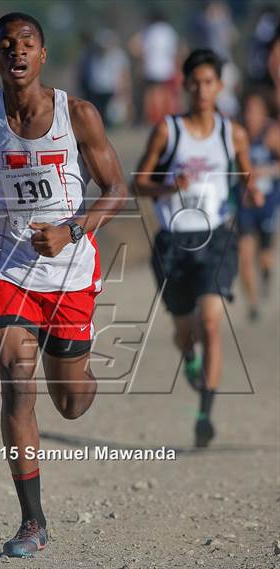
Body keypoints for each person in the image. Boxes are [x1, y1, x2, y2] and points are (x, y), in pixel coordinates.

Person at [0, 12, 127, 557]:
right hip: (7, 266)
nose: (17, 53)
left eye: (27, 43)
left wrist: (73, 228)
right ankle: (33, 522)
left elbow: (116, 188)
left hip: (70, 270)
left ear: (43, 54)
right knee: (16, 376)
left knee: (71, 403)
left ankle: (79, 365)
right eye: (6, 46)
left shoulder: (78, 115)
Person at [132, 49, 263, 448]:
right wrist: (169, 187)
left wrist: (252, 189)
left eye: (210, 82)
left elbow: (245, 174)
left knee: (211, 321)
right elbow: (138, 182)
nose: (203, 90)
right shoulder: (168, 131)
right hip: (173, 241)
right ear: (185, 86)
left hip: (217, 237)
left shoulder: (231, 132)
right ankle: (189, 359)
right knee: (185, 330)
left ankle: (205, 412)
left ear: (220, 87)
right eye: (196, 82)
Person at [237, 92, 279, 320]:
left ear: (264, 113)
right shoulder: (238, 135)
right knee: (244, 257)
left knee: (264, 256)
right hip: (245, 205)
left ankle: (266, 273)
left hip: (268, 203)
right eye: (248, 110)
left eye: (255, 111)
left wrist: (267, 171)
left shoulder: (271, 134)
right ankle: (253, 305)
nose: (251, 115)